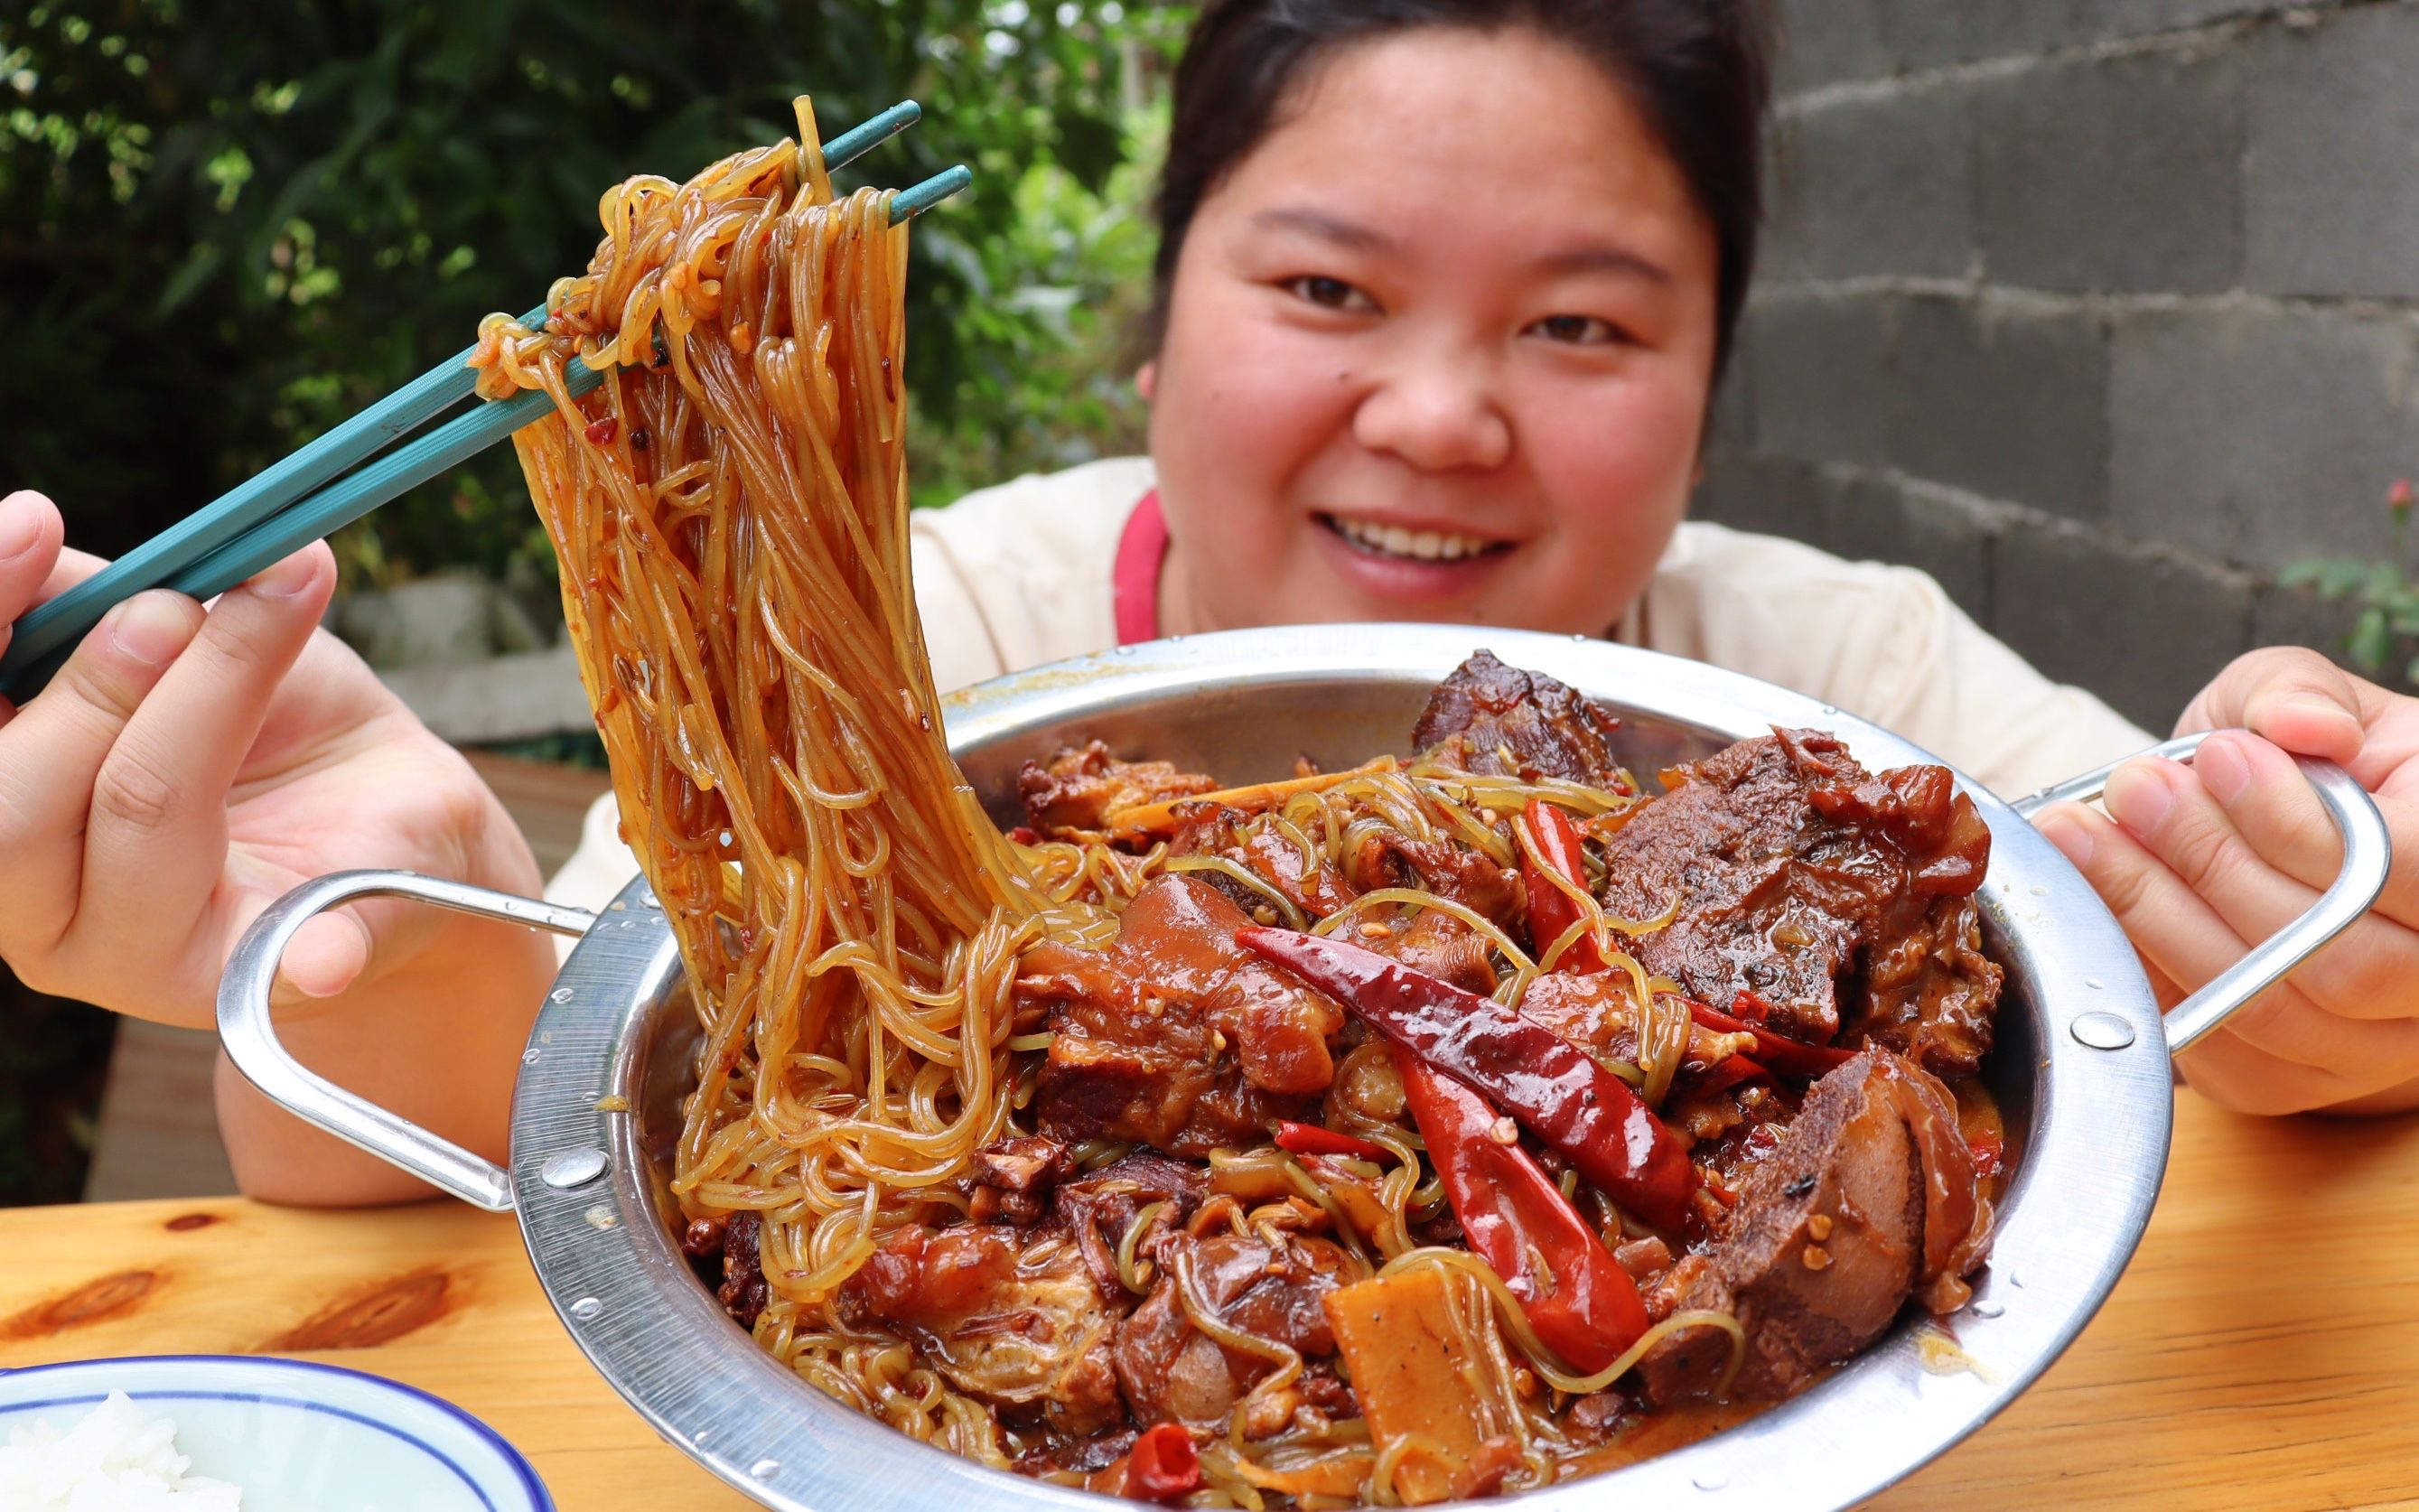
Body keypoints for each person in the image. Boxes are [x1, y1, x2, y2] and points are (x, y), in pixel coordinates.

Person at [2, 0, 2413, 1208]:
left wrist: (2343, 928)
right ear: (1160, 327)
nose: (1449, 414)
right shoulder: (925, 635)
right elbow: (556, 1129)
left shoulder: (1839, 675)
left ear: (1705, 383)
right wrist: (348, 946)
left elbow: (2191, 911)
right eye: (1332, 287)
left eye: (1582, 323)